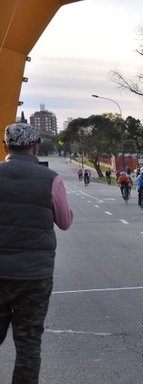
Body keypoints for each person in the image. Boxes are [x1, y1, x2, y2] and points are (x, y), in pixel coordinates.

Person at [0, 123, 74, 383]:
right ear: (35, 147)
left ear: (6, 147)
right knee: (29, 343)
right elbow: (64, 221)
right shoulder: (51, 179)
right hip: (35, 277)